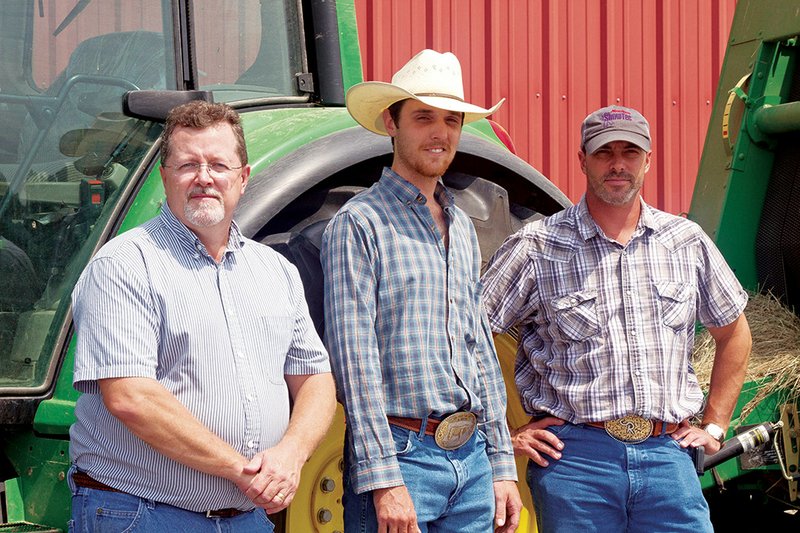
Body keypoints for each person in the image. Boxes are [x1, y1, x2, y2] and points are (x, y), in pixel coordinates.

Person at [481, 105, 752, 532]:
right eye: (604, 152)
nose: (618, 164)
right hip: (574, 462)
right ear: (582, 160)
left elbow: (734, 332)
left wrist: (715, 426)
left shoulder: (686, 242)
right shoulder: (538, 246)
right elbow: (466, 338)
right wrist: (505, 434)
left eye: (630, 151)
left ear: (648, 160)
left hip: (667, 456)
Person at [68, 100, 336, 531]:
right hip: (144, 513)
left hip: (245, 517)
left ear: (243, 178)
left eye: (218, 164)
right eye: (188, 165)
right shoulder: (124, 265)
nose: (204, 178)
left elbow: (316, 379)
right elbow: (131, 396)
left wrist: (290, 456)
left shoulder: (277, 271)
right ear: (165, 177)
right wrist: (244, 472)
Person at [321, 49, 521, 533]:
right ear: (392, 122)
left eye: (451, 121)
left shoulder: (461, 223)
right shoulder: (359, 224)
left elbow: (481, 352)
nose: (440, 133)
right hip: (403, 458)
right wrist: (384, 480)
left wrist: (500, 464)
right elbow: (355, 361)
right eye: (424, 117)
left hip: (471, 459)